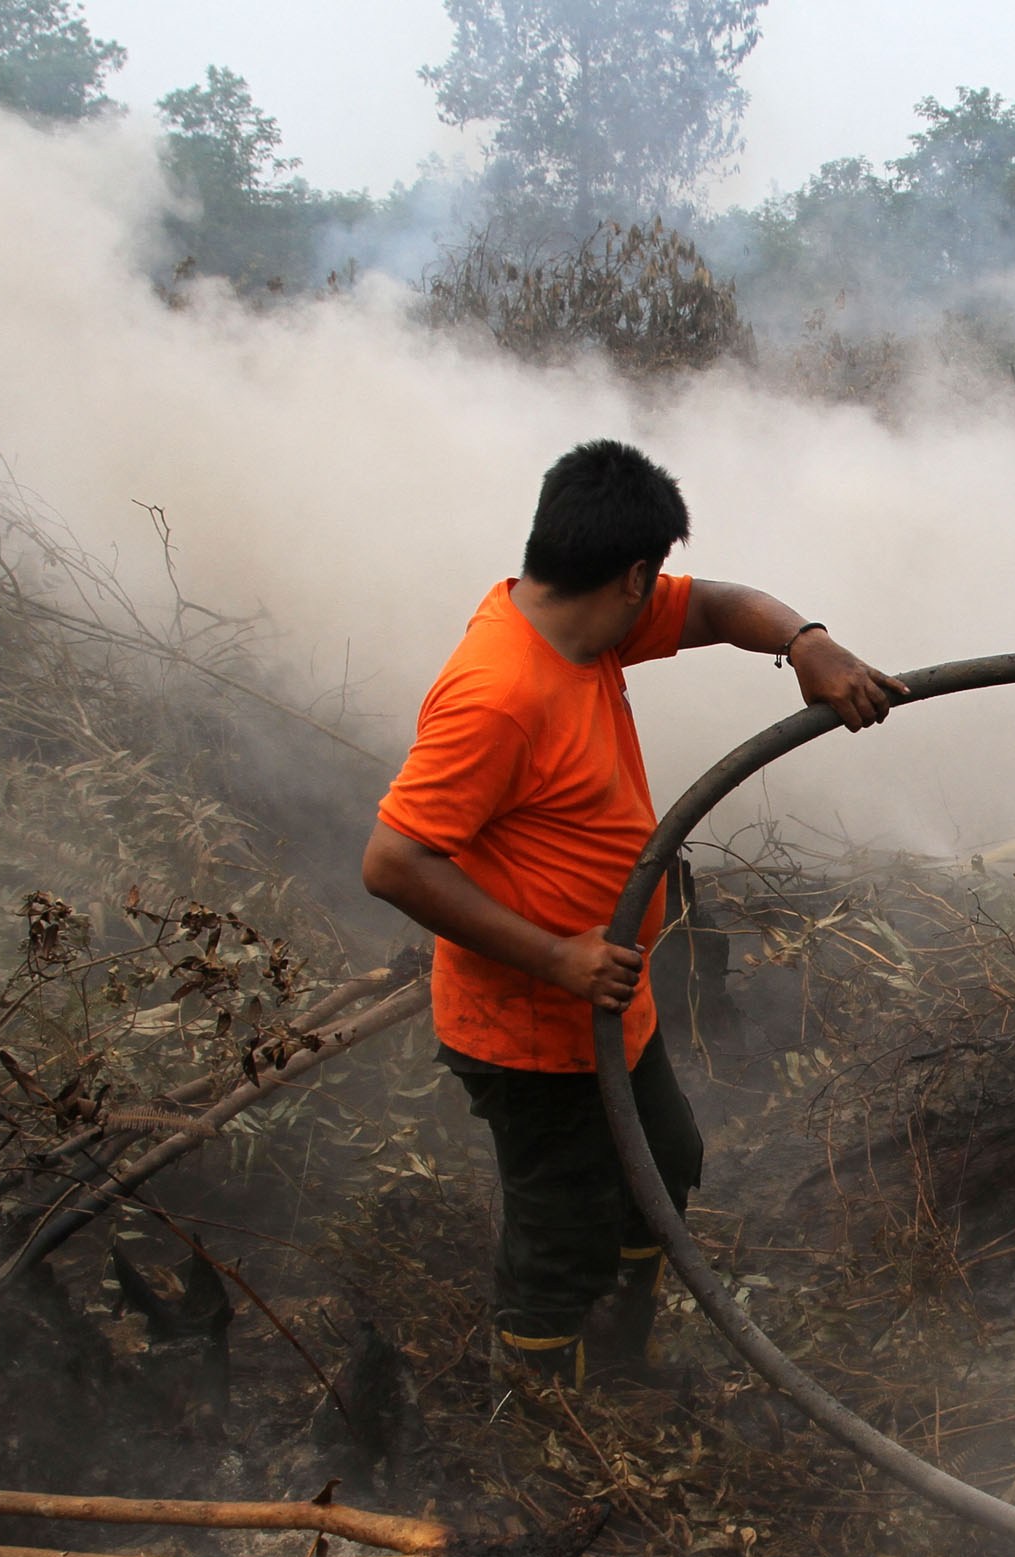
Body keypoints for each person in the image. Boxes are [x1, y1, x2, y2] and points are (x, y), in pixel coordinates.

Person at [364, 439, 903, 1386]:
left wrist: (806, 643)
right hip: (529, 1029)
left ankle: (621, 1353)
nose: (660, 595)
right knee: (562, 1236)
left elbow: (718, 605)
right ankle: (545, 1426)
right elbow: (394, 862)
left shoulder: (584, 620)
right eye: (651, 579)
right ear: (627, 573)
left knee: (665, 1162)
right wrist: (555, 958)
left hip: (610, 1004)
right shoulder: (496, 694)